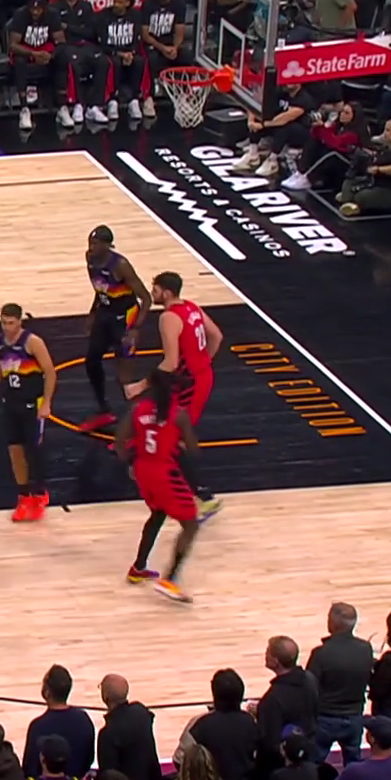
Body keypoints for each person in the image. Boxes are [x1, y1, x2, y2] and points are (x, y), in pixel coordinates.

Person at [138, 271, 223, 513]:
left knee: (175, 436)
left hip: (190, 383)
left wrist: (141, 386)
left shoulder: (168, 317)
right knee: (168, 427)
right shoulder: (192, 307)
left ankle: (203, 496)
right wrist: (203, 362)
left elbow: (171, 362)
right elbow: (217, 336)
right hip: (200, 377)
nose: (152, 293)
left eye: (155, 289)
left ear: (166, 292)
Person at [115, 369, 200, 602]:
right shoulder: (178, 414)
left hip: (143, 470)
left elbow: (119, 442)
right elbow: (193, 449)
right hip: (165, 473)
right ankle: (170, 580)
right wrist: (178, 442)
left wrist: (132, 462)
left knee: (158, 513)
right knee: (191, 525)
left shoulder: (138, 409)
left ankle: (138, 568)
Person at [0, 302, 57, 520]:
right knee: (15, 451)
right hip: (11, 402)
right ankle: (23, 496)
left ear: (20, 321)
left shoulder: (33, 342)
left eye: (11, 323)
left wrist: (47, 403)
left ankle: (40, 493)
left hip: (32, 403)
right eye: (3, 322)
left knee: (34, 450)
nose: (7, 327)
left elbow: (50, 372)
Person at [80, 226, 152, 431]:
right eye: (90, 243)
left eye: (95, 244)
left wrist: (135, 329)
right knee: (91, 361)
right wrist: (92, 313)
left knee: (124, 376)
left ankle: (138, 424)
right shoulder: (90, 259)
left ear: (107, 245)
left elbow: (146, 299)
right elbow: (100, 289)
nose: (91, 247)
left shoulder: (120, 265)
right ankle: (104, 410)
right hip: (105, 313)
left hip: (125, 317)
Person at [309, 602, 373, 763]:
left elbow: (310, 686)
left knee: (313, 763)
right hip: (354, 716)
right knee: (354, 763)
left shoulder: (321, 653)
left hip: (325, 718)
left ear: (334, 622)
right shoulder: (365, 649)